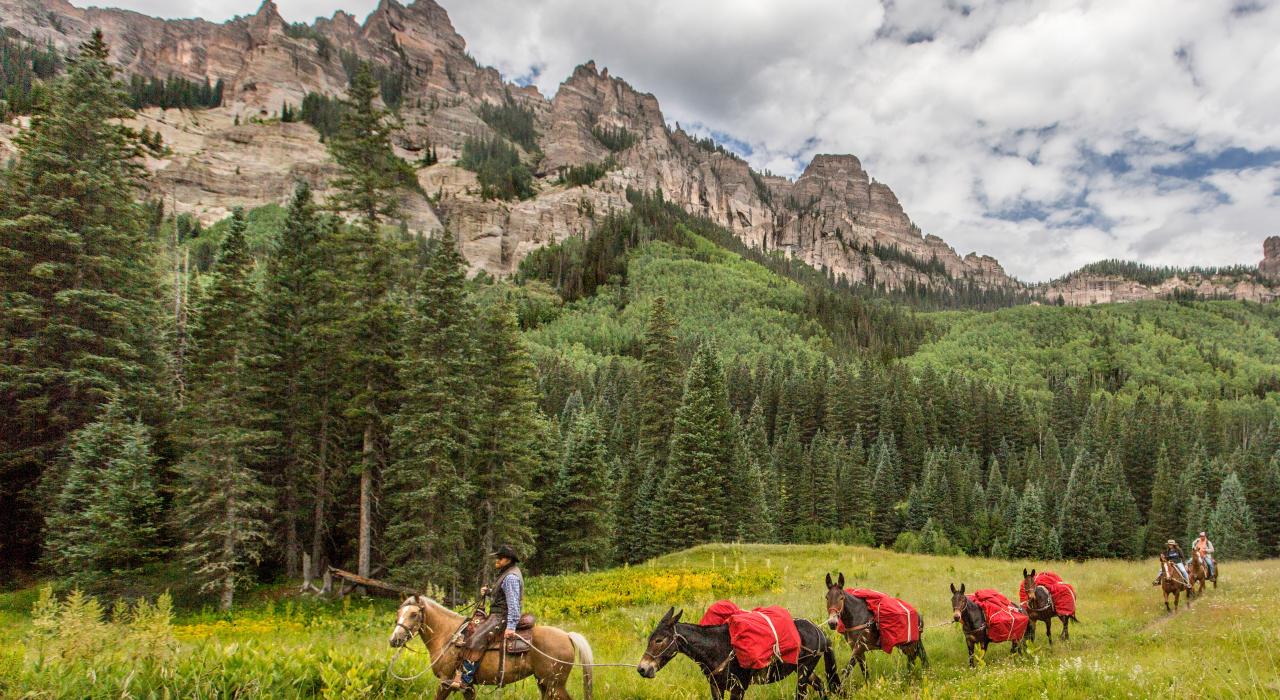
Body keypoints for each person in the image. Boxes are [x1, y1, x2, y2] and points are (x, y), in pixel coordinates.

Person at [450, 544, 524, 691]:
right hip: (498, 614)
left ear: (508, 560)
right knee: (469, 628)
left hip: (501, 617)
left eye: (500, 558)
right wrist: (489, 592)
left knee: (475, 638)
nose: (497, 560)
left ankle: (466, 680)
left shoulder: (510, 577)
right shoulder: (506, 573)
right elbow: (503, 595)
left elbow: (513, 604)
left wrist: (510, 626)